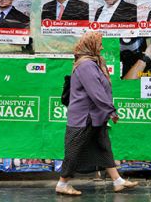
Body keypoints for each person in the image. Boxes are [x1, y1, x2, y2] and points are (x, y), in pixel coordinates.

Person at [56, 32, 137, 195]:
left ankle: (117, 181)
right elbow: (96, 92)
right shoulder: (86, 65)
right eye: (99, 43)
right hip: (84, 118)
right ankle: (62, 184)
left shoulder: (94, 62)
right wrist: (111, 111)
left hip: (95, 116)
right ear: (90, 45)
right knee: (74, 151)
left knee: (103, 147)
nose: (102, 46)